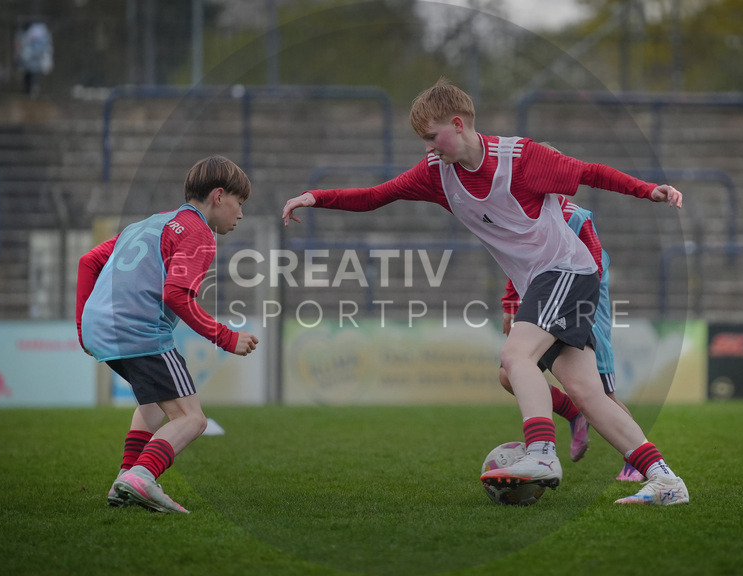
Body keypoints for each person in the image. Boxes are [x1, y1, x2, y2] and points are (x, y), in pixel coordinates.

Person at [282, 78, 689, 505]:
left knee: (515, 356)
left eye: (432, 136)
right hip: (547, 282)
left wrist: (648, 190)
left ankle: (542, 453)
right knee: (586, 393)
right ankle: (664, 479)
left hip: (568, 271)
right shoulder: (436, 175)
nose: (428, 147)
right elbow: (375, 197)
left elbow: (589, 173)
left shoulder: (523, 157)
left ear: (458, 124)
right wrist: (315, 196)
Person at [76, 155, 259, 514]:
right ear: (219, 196)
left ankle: (125, 477)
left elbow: (88, 261)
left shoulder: (150, 223)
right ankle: (143, 475)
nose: (240, 215)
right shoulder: (199, 233)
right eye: (239, 204)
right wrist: (225, 337)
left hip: (100, 328)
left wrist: (83, 326)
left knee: (152, 404)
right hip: (137, 330)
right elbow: (175, 294)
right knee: (192, 419)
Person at [498, 193, 645, 483]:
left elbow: (592, 269)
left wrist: (579, 318)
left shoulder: (575, 216)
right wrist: (510, 304)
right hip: (547, 306)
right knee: (508, 375)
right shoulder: (527, 215)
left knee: (603, 395)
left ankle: (639, 462)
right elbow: (522, 261)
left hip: (585, 309)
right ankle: (574, 415)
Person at [15, 21, 53, 96]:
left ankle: (31, 89)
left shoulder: (32, 36)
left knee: (32, 75)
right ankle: (30, 89)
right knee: (31, 75)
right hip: (31, 61)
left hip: (32, 61)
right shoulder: (40, 35)